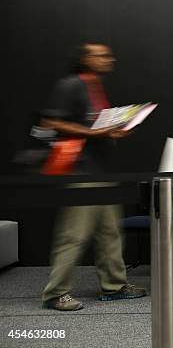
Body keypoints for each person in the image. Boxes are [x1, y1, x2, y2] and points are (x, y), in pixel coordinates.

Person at [41, 43, 146, 311]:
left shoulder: (94, 86)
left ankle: (113, 286)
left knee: (110, 232)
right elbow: (50, 123)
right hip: (81, 173)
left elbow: (95, 125)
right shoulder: (70, 85)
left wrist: (113, 131)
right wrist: (96, 134)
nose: (108, 59)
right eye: (101, 55)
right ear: (85, 59)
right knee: (74, 235)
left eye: (108, 54)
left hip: (101, 172)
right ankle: (55, 293)